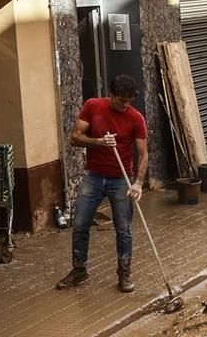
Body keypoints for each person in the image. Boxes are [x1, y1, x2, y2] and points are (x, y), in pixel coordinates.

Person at [58, 75, 148, 293]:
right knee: (80, 224)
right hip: (95, 176)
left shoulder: (136, 118)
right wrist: (98, 142)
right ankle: (79, 269)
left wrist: (138, 183)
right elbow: (75, 138)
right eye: (121, 101)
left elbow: (143, 154)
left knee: (123, 228)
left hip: (121, 179)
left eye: (129, 102)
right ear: (111, 95)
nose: (125, 106)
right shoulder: (93, 106)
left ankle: (124, 274)